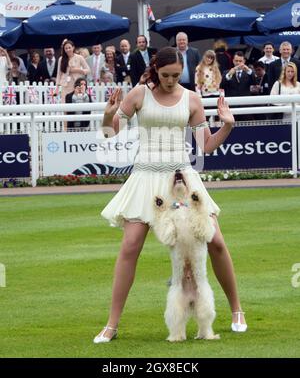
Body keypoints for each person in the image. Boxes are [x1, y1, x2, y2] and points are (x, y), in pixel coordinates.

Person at [93, 47, 247, 343]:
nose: (171, 80)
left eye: (176, 75)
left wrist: (227, 126)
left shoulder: (191, 98)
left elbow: (207, 146)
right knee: (130, 246)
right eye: (165, 75)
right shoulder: (138, 94)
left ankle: (237, 310)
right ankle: (111, 324)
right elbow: (110, 135)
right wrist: (108, 115)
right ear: (156, 70)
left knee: (215, 241)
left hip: (182, 177)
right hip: (145, 179)